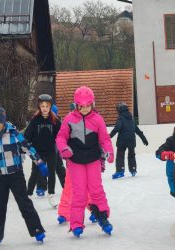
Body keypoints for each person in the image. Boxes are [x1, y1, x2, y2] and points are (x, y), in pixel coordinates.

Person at [0, 106, 46, 246]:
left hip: (16, 175)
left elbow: (28, 147)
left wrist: (39, 162)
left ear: (0, 121)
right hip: (0, 177)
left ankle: (37, 229)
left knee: (24, 203)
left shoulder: (14, 134)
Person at [56, 86, 114, 237]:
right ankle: (76, 223)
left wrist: (109, 151)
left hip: (93, 159)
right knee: (79, 193)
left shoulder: (97, 119)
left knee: (96, 189)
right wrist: (64, 149)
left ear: (92, 104)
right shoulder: (69, 119)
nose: (85, 109)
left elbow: (104, 139)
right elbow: (61, 137)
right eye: (82, 106)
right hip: (75, 161)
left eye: (88, 106)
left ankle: (102, 217)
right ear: (77, 105)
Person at [25, 94, 65, 208]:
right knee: (35, 172)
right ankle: (28, 194)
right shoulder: (35, 120)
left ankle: (51, 195)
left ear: (50, 107)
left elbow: (63, 133)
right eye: (42, 106)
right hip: (38, 153)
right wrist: (26, 147)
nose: (45, 108)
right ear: (39, 106)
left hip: (51, 151)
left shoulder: (55, 120)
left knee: (51, 173)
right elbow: (28, 135)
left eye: (47, 106)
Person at [110, 103, 148, 179]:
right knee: (131, 155)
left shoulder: (120, 118)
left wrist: (108, 137)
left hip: (122, 141)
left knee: (120, 155)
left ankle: (120, 171)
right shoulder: (131, 119)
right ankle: (133, 169)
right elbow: (137, 130)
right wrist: (144, 139)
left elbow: (117, 128)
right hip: (131, 141)